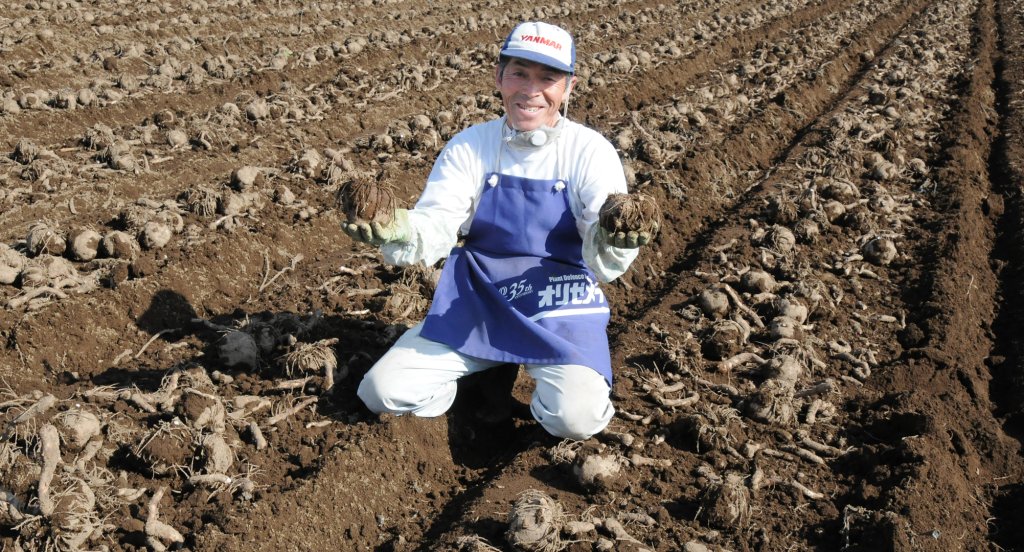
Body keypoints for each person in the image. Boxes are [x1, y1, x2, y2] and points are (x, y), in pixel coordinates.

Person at [346, 21, 656, 440]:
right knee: (381, 391)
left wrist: (610, 238)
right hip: (482, 297)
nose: (532, 90)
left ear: (568, 87)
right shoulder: (471, 146)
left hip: (558, 299)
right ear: (499, 77)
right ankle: (470, 383)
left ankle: (530, 395)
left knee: (575, 418)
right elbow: (437, 221)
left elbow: (601, 242)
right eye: (519, 74)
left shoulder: (589, 151)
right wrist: (399, 229)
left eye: (548, 78)